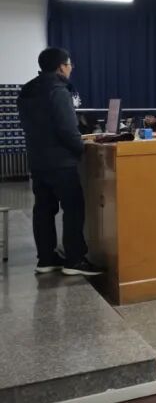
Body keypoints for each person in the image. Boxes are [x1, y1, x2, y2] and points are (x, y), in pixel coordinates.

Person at [17, 47, 102, 276]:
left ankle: (46, 259)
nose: (71, 68)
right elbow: (67, 129)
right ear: (61, 67)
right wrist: (81, 149)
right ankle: (75, 259)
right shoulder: (58, 90)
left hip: (37, 160)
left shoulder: (27, 90)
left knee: (43, 209)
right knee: (73, 208)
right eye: (69, 64)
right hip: (61, 162)